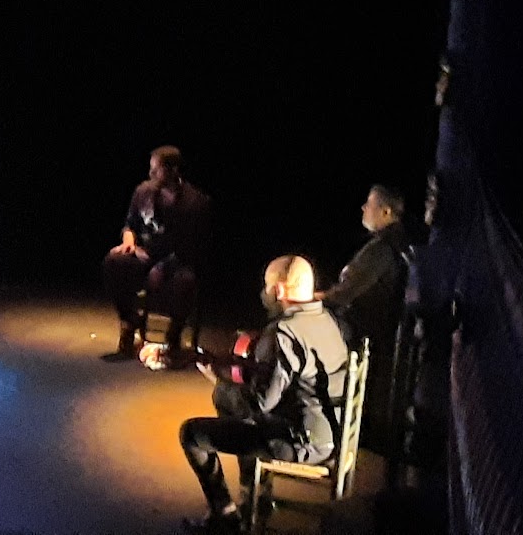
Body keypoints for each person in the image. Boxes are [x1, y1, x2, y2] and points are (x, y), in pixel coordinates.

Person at [178, 255, 350, 534]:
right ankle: (251, 492)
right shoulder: (327, 319)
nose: (263, 293)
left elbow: (259, 404)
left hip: (301, 442)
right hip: (331, 431)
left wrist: (215, 379)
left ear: (280, 290)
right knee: (227, 401)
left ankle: (224, 513)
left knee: (192, 433)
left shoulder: (283, 332)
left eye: (267, 286)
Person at [317, 184, 412, 453]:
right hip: (377, 332)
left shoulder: (382, 249)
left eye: (369, 203)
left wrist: (303, 298)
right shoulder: (396, 243)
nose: (363, 208)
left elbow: (343, 294)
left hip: (361, 332)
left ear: (386, 211)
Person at [101, 145, 212, 365]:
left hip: (178, 259)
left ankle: (173, 336)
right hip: (147, 253)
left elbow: (194, 246)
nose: (151, 173)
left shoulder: (195, 202)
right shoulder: (143, 192)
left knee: (185, 280)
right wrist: (128, 240)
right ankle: (129, 323)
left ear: (173, 170)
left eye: (157, 169)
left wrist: (163, 267)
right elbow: (130, 224)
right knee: (114, 261)